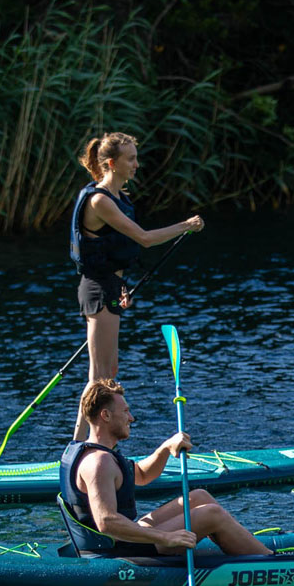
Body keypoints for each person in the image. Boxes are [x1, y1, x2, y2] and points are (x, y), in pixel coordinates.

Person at [70, 131, 204, 439]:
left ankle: (79, 447)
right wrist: (186, 226)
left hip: (113, 288)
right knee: (99, 376)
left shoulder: (120, 198)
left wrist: (120, 288)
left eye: (136, 158)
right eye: (131, 159)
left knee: (110, 371)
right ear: (113, 163)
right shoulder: (100, 200)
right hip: (97, 289)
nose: (137, 164)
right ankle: (78, 448)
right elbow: (143, 238)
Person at [60, 379, 273, 557]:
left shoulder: (96, 453)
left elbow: (142, 475)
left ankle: (242, 543)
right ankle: (272, 562)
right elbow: (107, 522)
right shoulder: (99, 463)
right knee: (212, 514)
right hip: (118, 548)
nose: (131, 418)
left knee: (198, 497)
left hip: (121, 538)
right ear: (105, 416)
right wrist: (167, 537)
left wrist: (165, 448)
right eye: (125, 411)